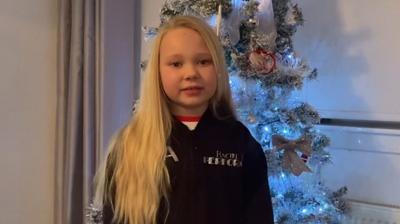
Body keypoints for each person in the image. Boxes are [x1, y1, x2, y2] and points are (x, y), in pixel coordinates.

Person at [91, 15, 274, 224]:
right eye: (176, 63)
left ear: (218, 68)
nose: (191, 73)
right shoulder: (130, 145)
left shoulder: (241, 143)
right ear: (158, 72)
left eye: (203, 61)